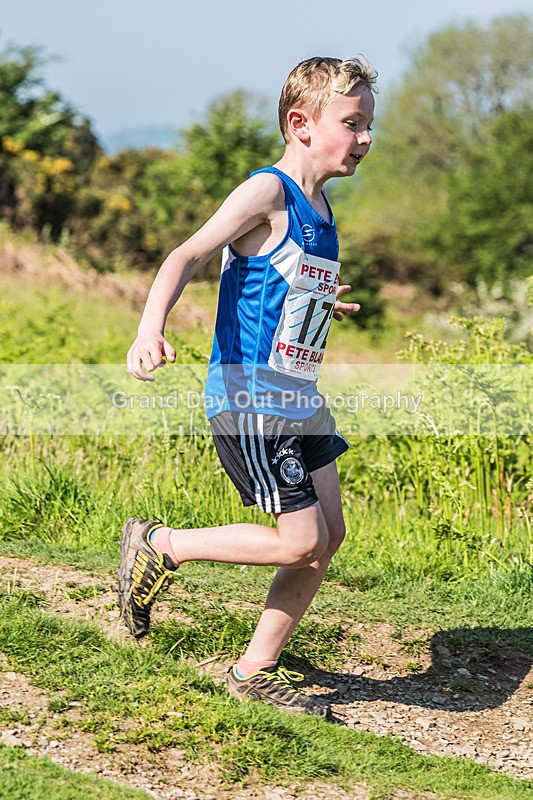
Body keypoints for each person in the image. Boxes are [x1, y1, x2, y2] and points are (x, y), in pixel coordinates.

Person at [117, 55, 377, 718]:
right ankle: (160, 545)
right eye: (352, 123)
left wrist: (319, 301)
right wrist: (150, 328)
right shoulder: (268, 191)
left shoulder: (320, 207)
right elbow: (186, 254)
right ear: (300, 124)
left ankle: (255, 668)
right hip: (251, 394)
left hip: (296, 390)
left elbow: (279, 286)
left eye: (368, 124)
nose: (365, 138)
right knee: (298, 540)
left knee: (329, 535)